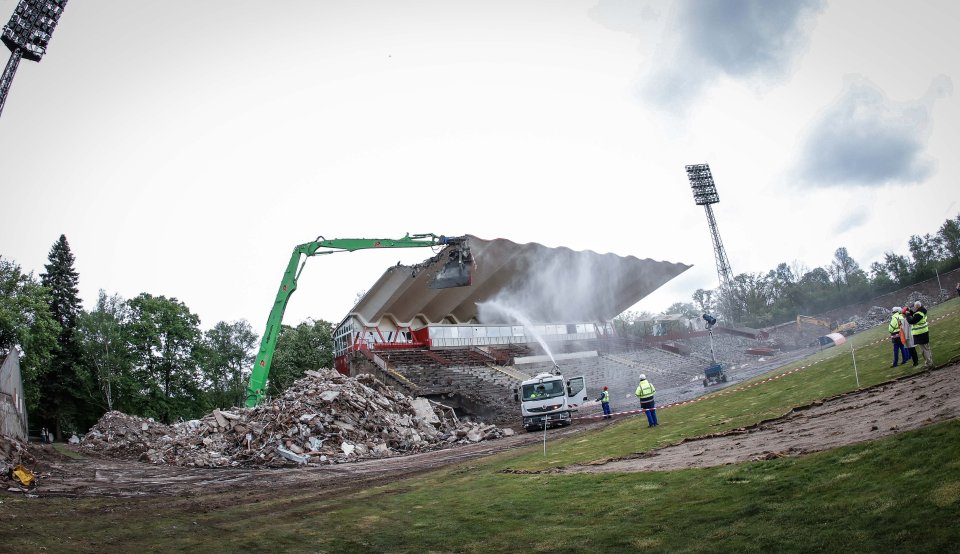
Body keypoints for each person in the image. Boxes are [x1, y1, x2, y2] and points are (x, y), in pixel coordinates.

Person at [906, 300, 932, 368]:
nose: (914, 308)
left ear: (917, 307)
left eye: (914, 307)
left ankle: (928, 363)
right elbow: (915, 315)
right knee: (926, 348)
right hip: (923, 332)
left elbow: (911, 321)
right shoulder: (922, 311)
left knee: (924, 350)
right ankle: (929, 362)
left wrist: (908, 315)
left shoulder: (919, 313)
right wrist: (911, 312)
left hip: (920, 333)